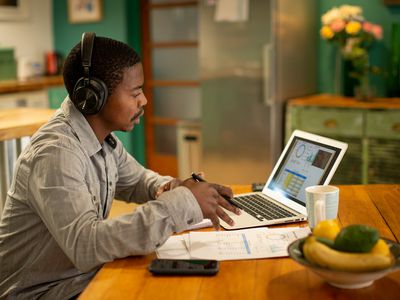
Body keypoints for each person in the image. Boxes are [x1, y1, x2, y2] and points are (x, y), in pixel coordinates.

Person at [0, 32, 240, 299]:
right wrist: (182, 202)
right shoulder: (56, 154)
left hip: (77, 278)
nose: (144, 101)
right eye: (135, 93)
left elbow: (137, 180)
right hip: (41, 292)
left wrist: (173, 187)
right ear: (93, 97)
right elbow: (86, 244)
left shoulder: (102, 140)